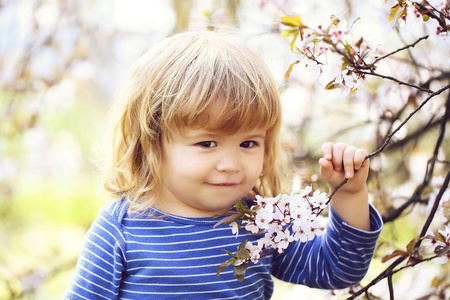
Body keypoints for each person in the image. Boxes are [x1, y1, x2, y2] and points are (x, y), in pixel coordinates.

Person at [63, 31, 383, 300]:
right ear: (153, 142)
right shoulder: (121, 231)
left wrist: (350, 194)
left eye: (248, 144)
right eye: (206, 143)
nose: (230, 164)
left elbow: (338, 270)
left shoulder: (261, 224)